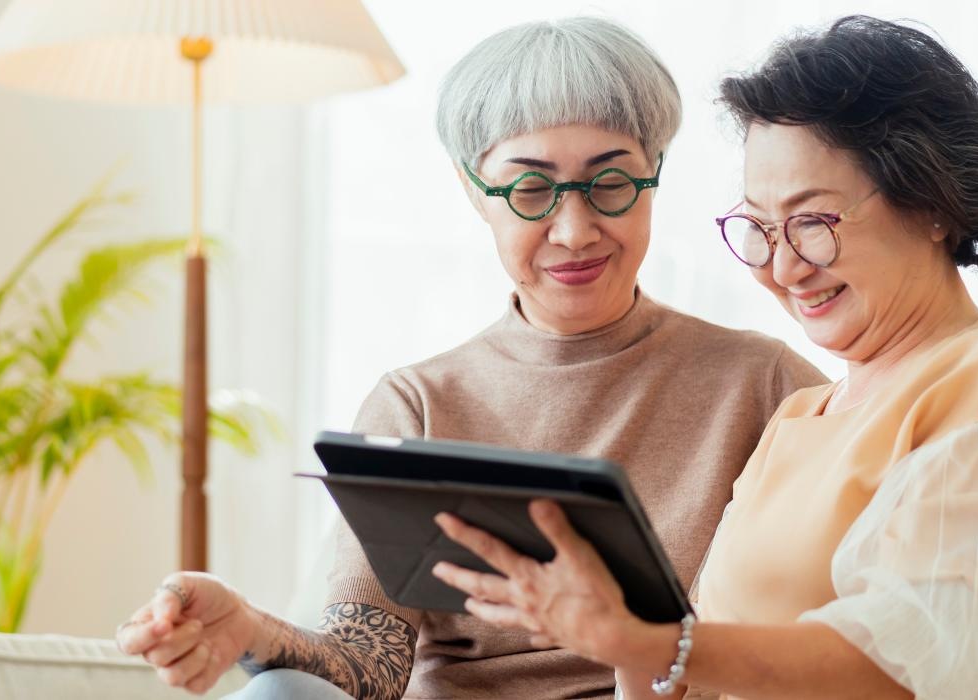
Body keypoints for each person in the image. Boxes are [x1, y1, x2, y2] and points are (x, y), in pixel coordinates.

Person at [429, 16, 978, 699]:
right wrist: (624, 630)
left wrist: (640, 641)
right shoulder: (804, 414)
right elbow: (686, 675)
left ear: (928, 204)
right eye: (760, 229)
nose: (784, 267)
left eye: (811, 223)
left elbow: (920, 662)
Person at [114, 17, 826, 699]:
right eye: (530, 189)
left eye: (610, 183)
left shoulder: (763, 386)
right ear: (473, 191)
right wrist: (251, 628)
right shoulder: (419, 402)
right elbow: (371, 666)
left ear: (655, 174)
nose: (575, 231)